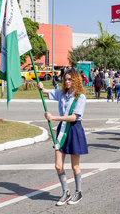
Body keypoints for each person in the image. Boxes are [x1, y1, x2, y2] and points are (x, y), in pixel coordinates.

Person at [37, 68, 88, 206]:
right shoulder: (62, 94)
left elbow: (73, 117)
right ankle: (66, 192)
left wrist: (53, 118)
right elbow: (46, 92)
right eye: (65, 79)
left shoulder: (80, 97)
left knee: (74, 166)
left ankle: (78, 192)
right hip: (62, 130)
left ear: (76, 80)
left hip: (74, 129)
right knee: (58, 165)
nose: (67, 82)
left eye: (70, 79)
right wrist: (41, 87)